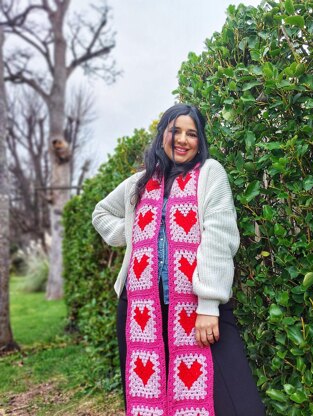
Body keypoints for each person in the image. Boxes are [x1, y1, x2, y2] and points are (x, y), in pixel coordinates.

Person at [92, 103, 265, 416]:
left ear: (200, 142)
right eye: (176, 131)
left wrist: (209, 305)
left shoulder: (210, 175)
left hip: (198, 310)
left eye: (192, 134)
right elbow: (101, 212)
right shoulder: (139, 183)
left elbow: (219, 238)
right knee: (151, 403)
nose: (183, 139)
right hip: (141, 313)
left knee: (240, 405)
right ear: (163, 136)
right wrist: (132, 233)